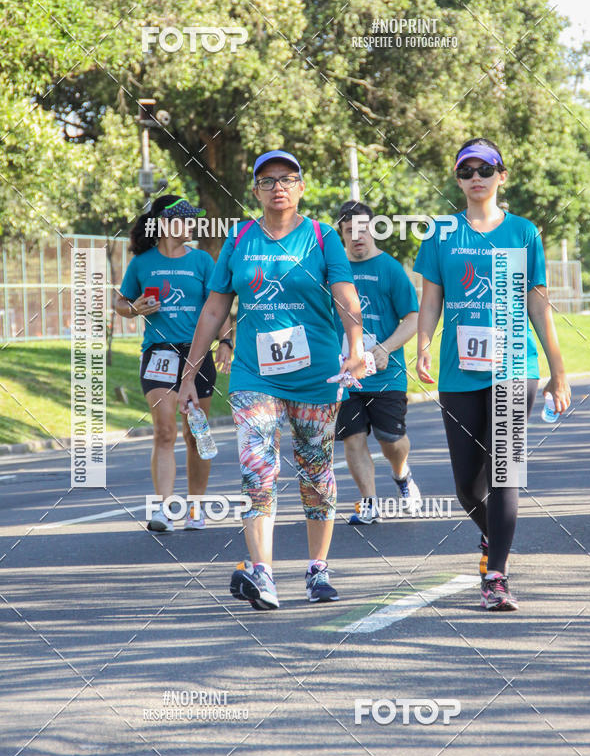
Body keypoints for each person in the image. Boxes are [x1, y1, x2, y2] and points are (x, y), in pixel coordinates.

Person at [177, 150, 366, 610]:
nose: (278, 186)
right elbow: (216, 308)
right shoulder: (239, 238)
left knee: (316, 471)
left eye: (287, 178)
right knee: (258, 470)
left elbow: (344, 294)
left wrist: (356, 346)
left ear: (301, 187)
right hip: (253, 374)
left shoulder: (322, 238)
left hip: (316, 372)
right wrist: (190, 372)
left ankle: (317, 569)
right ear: (256, 191)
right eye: (267, 180)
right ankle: (262, 574)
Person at [414, 137, 571, 611]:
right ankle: (495, 538)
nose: (476, 177)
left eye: (486, 169)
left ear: (503, 176)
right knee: (466, 484)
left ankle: (496, 575)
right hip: (458, 371)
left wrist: (557, 372)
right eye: (467, 171)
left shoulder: (524, 232)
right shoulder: (440, 233)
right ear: (458, 180)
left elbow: (538, 306)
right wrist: (423, 346)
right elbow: (431, 297)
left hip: (512, 368)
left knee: (505, 472)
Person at [116, 194, 233, 533]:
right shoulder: (142, 263)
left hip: (197, 356)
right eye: (184, 219)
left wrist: (226, 340)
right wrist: (134, 308)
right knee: (165, 432)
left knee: (194, 433)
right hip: (159, 355)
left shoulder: (203, 262)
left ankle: (195, 507)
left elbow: (217, 307)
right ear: (164, 224)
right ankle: (164, 509)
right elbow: (120, 303)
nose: (192, 225)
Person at [334, 200, 421, 524]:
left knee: (391, 440)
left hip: (386, 374)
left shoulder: (390, 269)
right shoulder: (334, 270)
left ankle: (402, 475)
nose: (357, 237)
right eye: (349, 231)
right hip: (346, 373)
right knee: (353, 438)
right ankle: (369, 502)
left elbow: (413, 318)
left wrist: (385, 348)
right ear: (341, 234)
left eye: (362, 229)